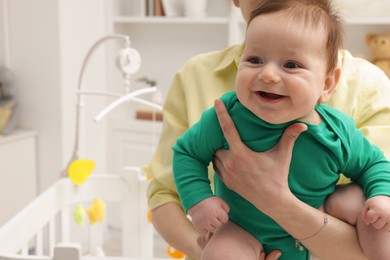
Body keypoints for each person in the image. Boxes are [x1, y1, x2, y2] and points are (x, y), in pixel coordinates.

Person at [147, 0, 390, 259]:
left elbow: (373, 164)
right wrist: (199, 201)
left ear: (327, 83)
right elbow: (185, 154)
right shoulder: (224, 113)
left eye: (291, 65)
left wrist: (382, 197)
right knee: (222, 253)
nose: (269, 75)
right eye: (254, 60)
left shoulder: (338, 128)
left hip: (321, 217)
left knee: (368, 206)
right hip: (241, 228)